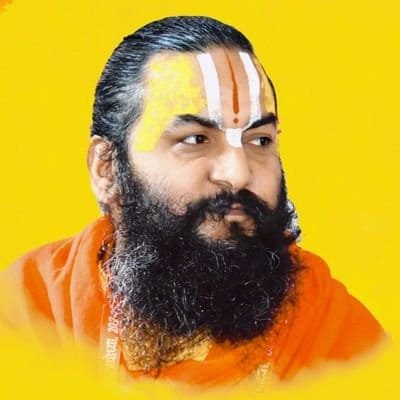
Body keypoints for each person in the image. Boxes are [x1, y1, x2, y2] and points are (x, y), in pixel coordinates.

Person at [0, 16, 384, 387]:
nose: (238, 174)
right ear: (107, 169)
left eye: (259, 140)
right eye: (195, 139)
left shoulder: (333, 333)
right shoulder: (27, 314)